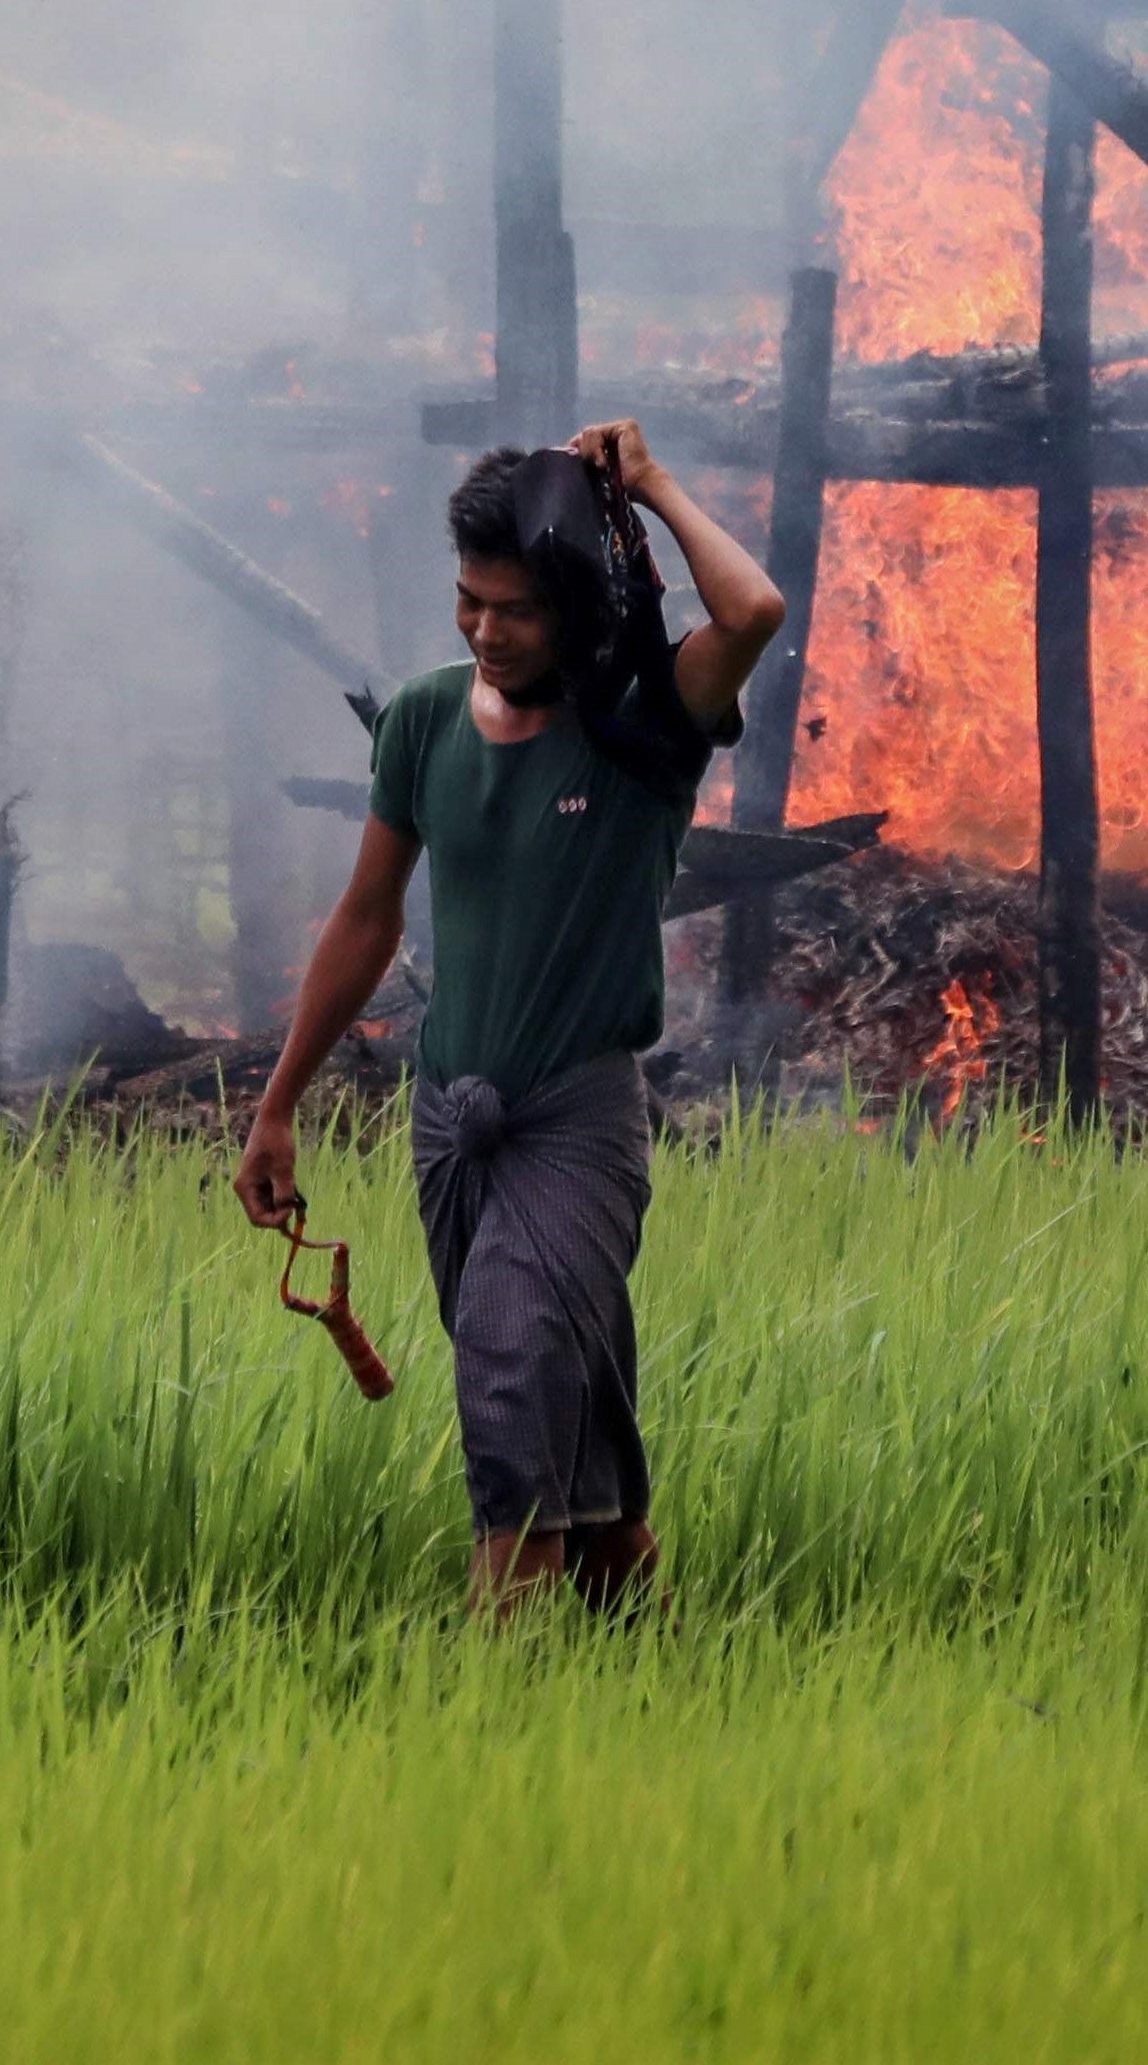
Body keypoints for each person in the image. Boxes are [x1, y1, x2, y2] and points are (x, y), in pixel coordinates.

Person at [241, 420, 785, 1617]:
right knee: (565, 1417)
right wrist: (277, 1105)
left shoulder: (646, 723)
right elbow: (364, 919)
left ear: (579, 610)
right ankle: (645, 1675)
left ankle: (497, 1710)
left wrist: (646, 486)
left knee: (503, 1379)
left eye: (516, 610)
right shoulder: (426, 720)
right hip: (450, 1123)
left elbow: (750, 612)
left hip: (575, 1125)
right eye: (467, 601)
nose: (485, 630)